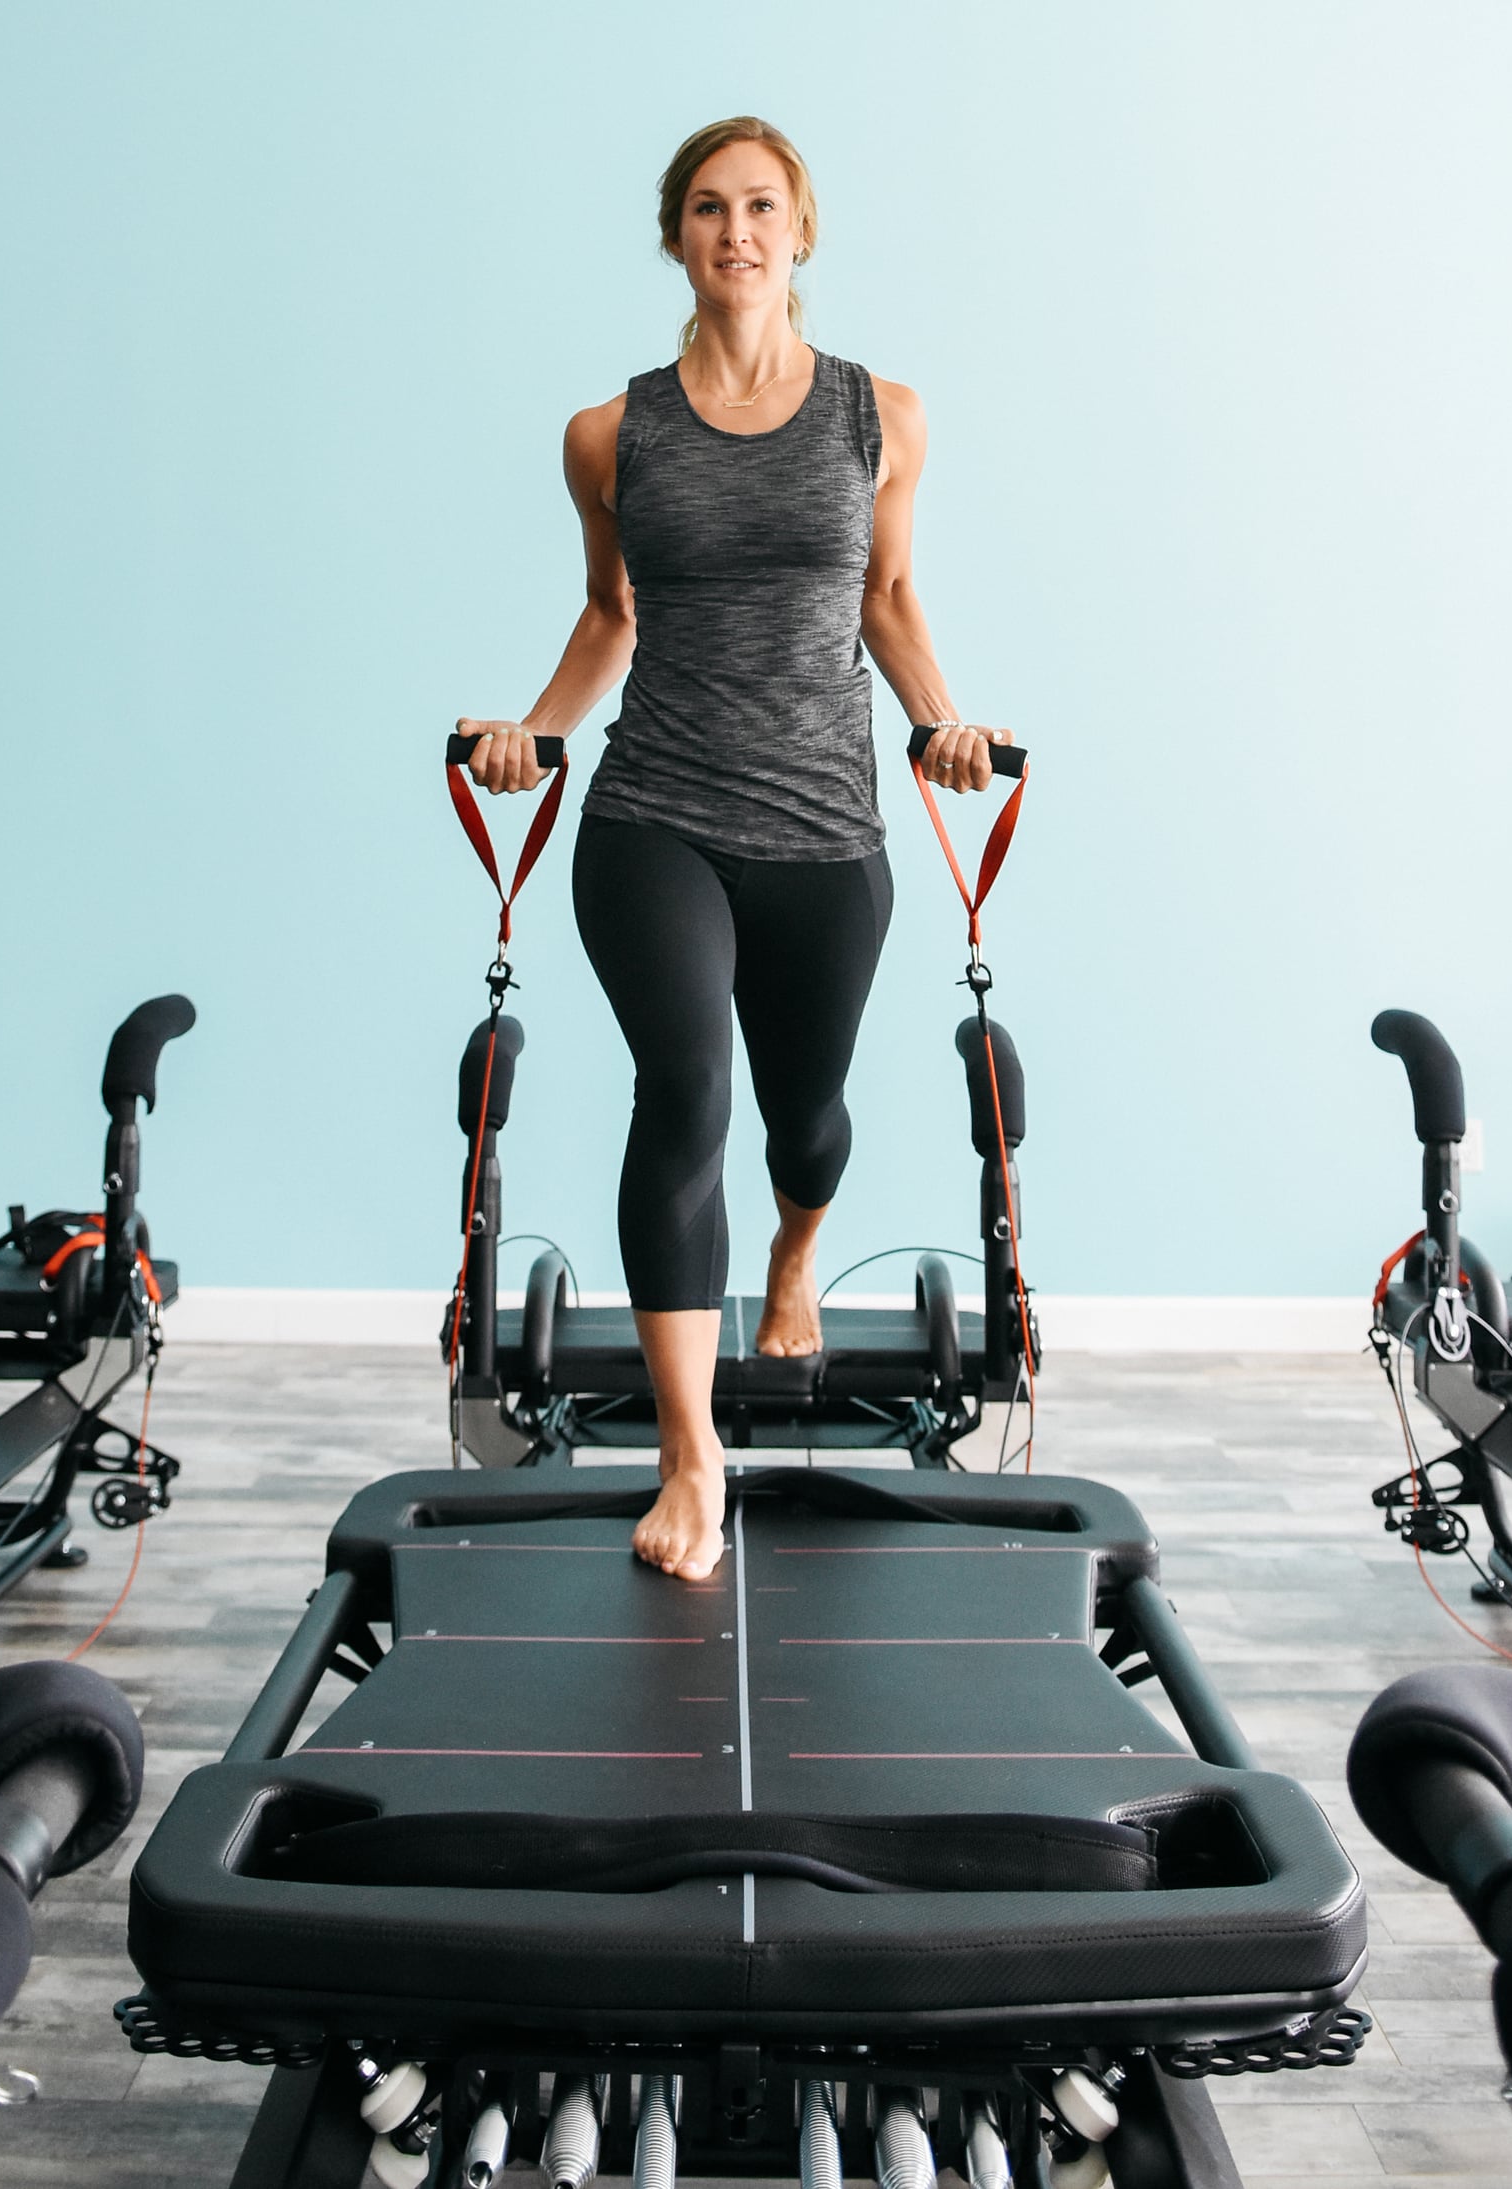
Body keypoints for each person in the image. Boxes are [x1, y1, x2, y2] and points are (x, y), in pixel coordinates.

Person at [458, 115, 1008, 1581]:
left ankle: (792, 1249)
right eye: (708, 208)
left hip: (829, 826)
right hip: (657, 815)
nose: (736, 231)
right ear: (677, 236)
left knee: (804, 1121)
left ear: (803, 230)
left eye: (762, 206)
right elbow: (610, 616)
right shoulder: (610, 434)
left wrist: (946, 726)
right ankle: (690, 1451)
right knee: (685, 1087)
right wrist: (532, 733)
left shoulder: (880, 414)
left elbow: (887, 597)